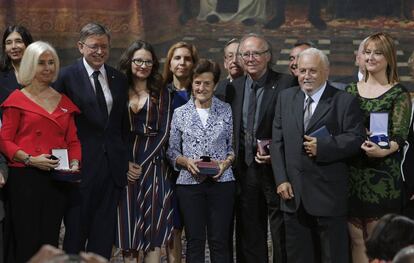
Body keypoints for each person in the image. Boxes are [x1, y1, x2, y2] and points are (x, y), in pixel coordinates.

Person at [271, 47, 365, 263]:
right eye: (302, 70)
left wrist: (324, 147)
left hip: (328, 197)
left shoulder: (344, 100)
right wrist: (281, 179)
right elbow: (277, 143)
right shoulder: (286, 97)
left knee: (332, 257)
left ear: (326, 71)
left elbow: (356, 138)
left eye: (312, 71)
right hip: (293, 196)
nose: (306, 76)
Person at [0, 41, 81, 263]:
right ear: (29, 66)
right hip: (25, 180)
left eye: (51, 62)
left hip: (56, 180)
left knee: (50, 241)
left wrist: (74, 163)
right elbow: (4, 140)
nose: (48, 68)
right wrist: (30, 159)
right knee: (26, 240)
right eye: (41, 63)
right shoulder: (16, 100)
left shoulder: (64, 101)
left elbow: (73, 141)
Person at [53, 22, 129, 259]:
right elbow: (57, 123)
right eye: (94, 46)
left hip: (112, 169)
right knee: (75, 234)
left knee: (104, 236)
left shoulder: (118, 78)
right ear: (80, 46)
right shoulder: (65, 76)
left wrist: (125, 159)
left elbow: (121, 126)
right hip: (80, 168)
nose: (99, 52)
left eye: (104, 47)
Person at [225, 33, 295, 263]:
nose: (251, 58)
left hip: (278, 172)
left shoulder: (286, 83)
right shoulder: (232, 88)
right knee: (250, 231)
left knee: (281, 231)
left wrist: (277, 150)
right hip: (245, 171)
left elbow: (295, 125)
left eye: (256, 53)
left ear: (268, 56)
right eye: (246, 54)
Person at [346, 32, 412, 263]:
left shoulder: (398, 93)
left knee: (377, 242)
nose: (371, 57)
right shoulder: (350, 91)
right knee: (356, 239)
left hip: (383, 174)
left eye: (377, 52)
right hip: (353, 172)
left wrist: (384, 150)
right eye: (367, 52)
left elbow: (400, 135)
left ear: (389, 58)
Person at [167, 59, 235, 262]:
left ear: (215, 85)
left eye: (207, 83)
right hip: (189, 185)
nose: (201, 87)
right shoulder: (180, 113)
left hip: (222, 183)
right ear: (192, 83)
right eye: (197, 82)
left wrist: (226, 163)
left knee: (220, 241)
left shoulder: (226, 109)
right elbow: (171, 150)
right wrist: (186, 162)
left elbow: (231, 148)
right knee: (195, 241)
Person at [115, 40, 173, 262]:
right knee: (128, 232)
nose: (143, 65)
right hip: (125, 167)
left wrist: (141, 163)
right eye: (138, 60)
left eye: (148, 61)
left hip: (154, 168)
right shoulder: (118, 89)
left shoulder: (162, 92)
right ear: (129, 61)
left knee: (152, 233)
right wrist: (125, 164)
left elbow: (164, 131)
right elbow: (113, 131)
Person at [162, 41, 198, 263]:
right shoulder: (161, 93)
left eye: (187, 58)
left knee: (194, 228)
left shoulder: (202, 91)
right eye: (177, 58)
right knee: (173, 226)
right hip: (168, 168)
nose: (182, 63)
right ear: (170, 62)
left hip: (196, 169)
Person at [0, 25, 33, 104]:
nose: (13, 46)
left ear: (28, 44)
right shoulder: (1, 73)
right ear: (5, 48)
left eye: (18, 41)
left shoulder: (39, 72)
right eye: (9, 43)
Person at [215, 38, 244, 103]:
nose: (234, 60)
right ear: (225, 63)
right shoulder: (217, 89)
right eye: (230, 56)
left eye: (239, 55)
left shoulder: (253, 88)